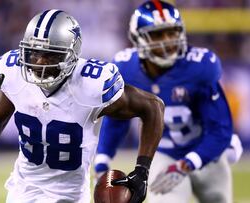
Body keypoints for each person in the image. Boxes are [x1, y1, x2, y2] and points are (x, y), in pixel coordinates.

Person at [0, 9, 164, 203]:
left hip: (71, 197)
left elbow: (153, 107)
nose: (40, 63)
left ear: (71, 56)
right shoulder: (14, 73)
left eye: (50, 55)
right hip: (22, 193)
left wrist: (142, 171)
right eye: (34, 53)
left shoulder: (92, 85)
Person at [94, 1, 242, 203]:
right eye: (158, 34)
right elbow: (117, 120)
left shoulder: (200, 67)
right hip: (164, 154)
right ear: (139, 38)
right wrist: (103, 160)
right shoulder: (126, 69)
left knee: (219, 198)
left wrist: (188, 163)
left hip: (204, 152)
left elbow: (219, 130)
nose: (167, 41)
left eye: (172, 33)